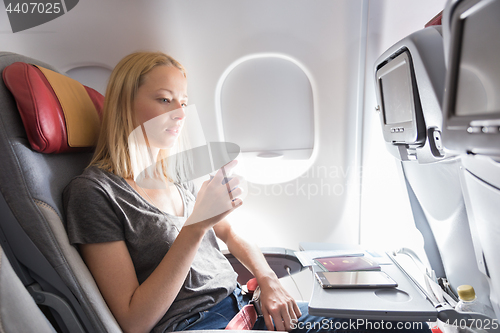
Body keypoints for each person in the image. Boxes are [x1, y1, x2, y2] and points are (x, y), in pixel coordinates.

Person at [63, 51, 431, 333]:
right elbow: (134, 320)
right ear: (124, 104)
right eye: (164, 99)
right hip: (197, 325)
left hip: (245, 305)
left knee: (405, 325)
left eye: (184, 102)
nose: (179, 112)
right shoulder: (95, 193)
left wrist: (269, 281)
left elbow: (231, 233)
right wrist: (194, 227)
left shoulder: (178, 174)